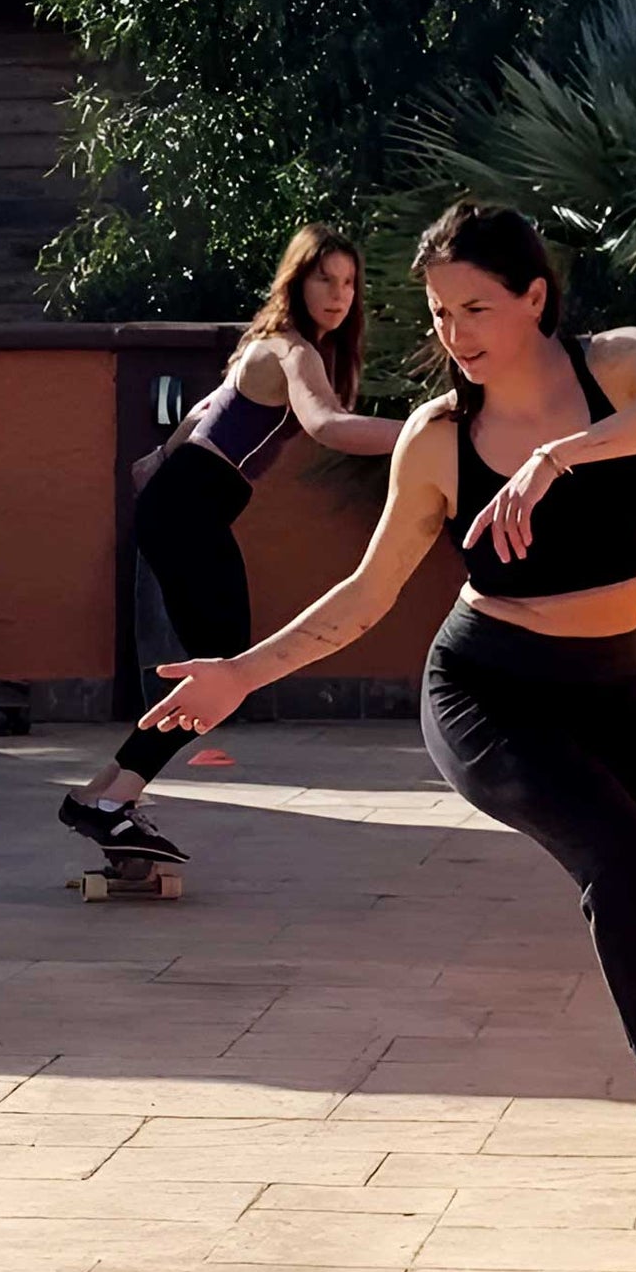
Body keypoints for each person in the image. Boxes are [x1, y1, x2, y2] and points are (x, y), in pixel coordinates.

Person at [139, 206, 636, 1181]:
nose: (454, 334)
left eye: (475, 307)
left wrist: (559, 455)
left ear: (533, 297)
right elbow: (367, 593)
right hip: (489, 694)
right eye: (436, 314)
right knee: (623, 863)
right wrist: (239, 674)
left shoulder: (621, 367)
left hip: (611, 692)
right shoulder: (437, 438)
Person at [57, 224, 406, 865]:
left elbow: (201, 413)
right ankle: (112, 803)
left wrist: (155, 459)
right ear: (297, 281)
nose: (339, 293)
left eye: (349, 282)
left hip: (187, 506)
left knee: (216, 668)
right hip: (189, 509)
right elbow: (327, 426)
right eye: (324, 278)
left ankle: (99, 794)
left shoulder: (264, 344)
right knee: (223, 670)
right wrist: (428, 429)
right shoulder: (292, 351)